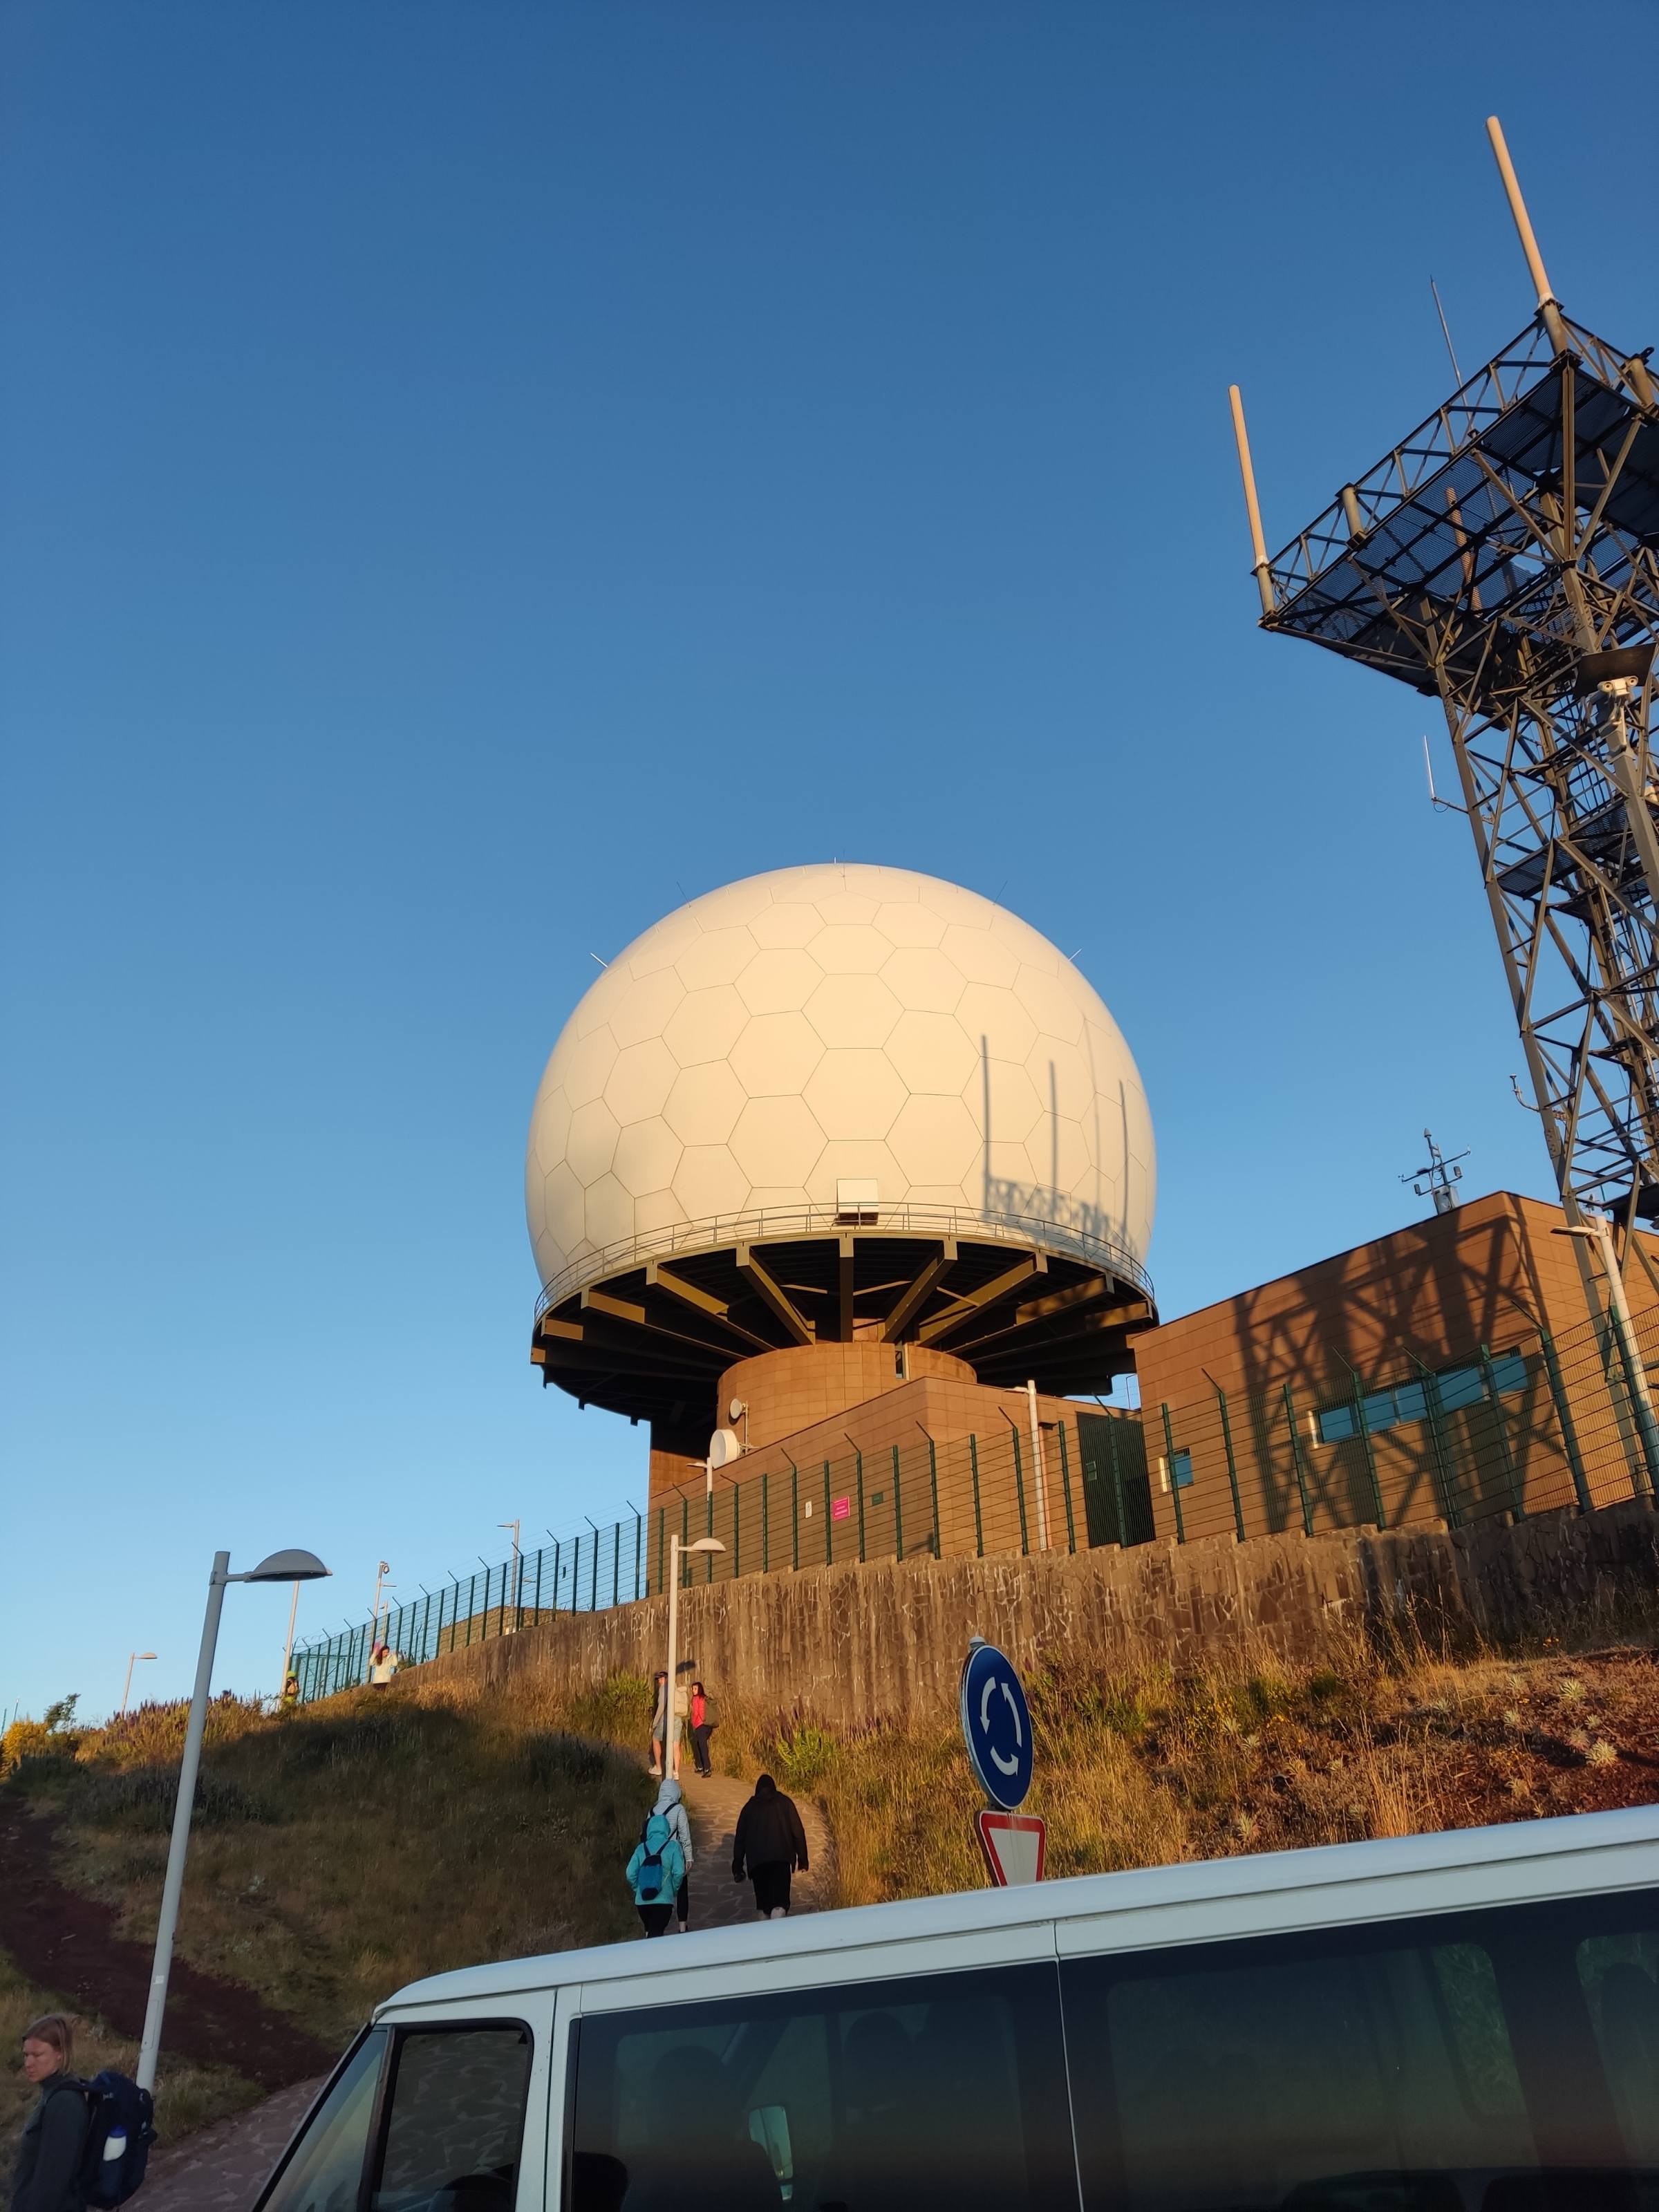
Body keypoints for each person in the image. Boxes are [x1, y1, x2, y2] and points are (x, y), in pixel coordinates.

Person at [11, 2015, 88, 2212]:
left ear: (60, 2053)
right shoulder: (53, 2094)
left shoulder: (64, 2103)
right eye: (26, 2055)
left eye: (37, 2055)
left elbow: (52, 2183)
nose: (28, 2063)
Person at [731, 1773, 809, 1920]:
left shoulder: (749, 1808)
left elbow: (740, 1839)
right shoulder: (785, 1803)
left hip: (757, 1865)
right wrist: (803, 1860)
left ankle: (766, 1931)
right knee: (779, 1903)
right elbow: (798, 1832)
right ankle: (777, 1930)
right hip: (781, 1861)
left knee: (763, 1906)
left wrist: (737, 1868)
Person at [624, 1808, 684, 1938]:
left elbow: (630, 1873)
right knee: (656, 1937)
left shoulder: (641, 1848)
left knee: (650, 1934)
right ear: (667, 1828)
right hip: (663, 1901)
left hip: (642, 1902)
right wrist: (673, 1889)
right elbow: (679, 1872)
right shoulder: (673, 1847)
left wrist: (638, 1888)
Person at [652, 1777, 695, 1931]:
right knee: (682, 1891)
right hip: (675, 1856)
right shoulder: (678, 1809)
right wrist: (688, 1858)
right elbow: (684, 1836)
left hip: (656, 1857)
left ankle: (654, 1927)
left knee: (659, 1890)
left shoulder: (652, 1811)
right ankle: (682, 1926)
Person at [689, 1681, 716, 1778]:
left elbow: (696, 1713)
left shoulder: (696, 1699)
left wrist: (693, 1723)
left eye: (695, 1689)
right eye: (693, 1689)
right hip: (709, 1725)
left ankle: (707, 1768)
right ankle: (701, 1766)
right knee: (699, 1745)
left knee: (702, 1747)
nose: (693, 1691)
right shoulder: (705, 1698)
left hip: (700, 1725)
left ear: (699, 1689)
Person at [648, 1671, 668, 1779]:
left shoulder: (663, 1689)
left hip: (663, 1718)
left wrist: (655, 1722)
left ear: (665, 1678)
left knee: (655, 1739)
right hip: (673, 1719)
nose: (659, 1681)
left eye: (661, 1679)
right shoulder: (672, 1689)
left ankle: (658, 1767)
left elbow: (661, 1707)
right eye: (659, 1679)